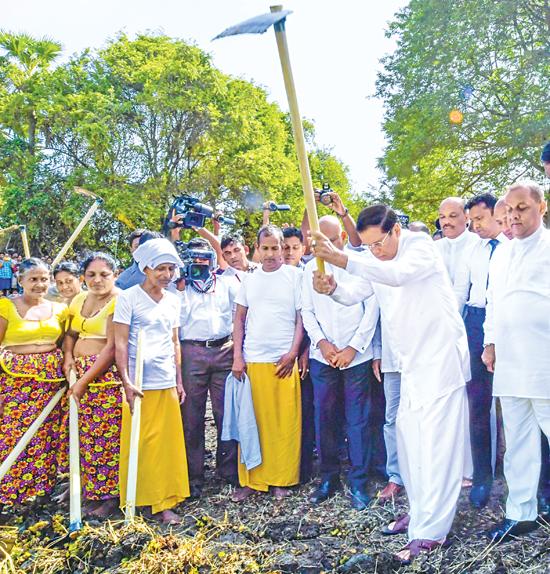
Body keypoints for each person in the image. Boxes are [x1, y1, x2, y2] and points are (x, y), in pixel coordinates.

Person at [311, 205, 470, 563]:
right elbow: (355, 292)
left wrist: (340, 257)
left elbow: (397, 275)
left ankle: (432, 532)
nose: (375, 252)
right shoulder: (377, 258)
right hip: (411, 364)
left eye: (379, 243)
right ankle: (420, 511)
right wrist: (332, 286)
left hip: (441, 361)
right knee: (411, 442)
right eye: (367, 247)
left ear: (396, 230)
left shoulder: (420, 246)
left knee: (437, 448)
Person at [482, 181, 550, 541]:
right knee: (518, 442)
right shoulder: (502, 253)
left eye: (522, 208)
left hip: (544, 361)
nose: (514, 215)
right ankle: (521, 513)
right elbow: (494, 301)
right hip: (510, 359)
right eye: (509, 209)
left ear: (542, 207)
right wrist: (489, 343)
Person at [302, 216, 379, 510]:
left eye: (332, 240)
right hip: (324, 357)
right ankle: (329, 477)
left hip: (356, 356)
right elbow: (307, 311)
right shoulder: (309, 270)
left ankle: (359, 481)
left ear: (343, 240)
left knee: (358, 420)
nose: (326, 246)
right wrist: (322, 344)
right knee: (325, 418)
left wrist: (352, 348)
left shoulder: (359, 266)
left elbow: (371, 309)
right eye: (320, 240)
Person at [114, 238, 189, 524]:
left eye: (171, 269)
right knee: (142, 441)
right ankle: (137, 496)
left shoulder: (173, 300)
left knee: (165, 444)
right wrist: (126, 381)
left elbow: (175, 342)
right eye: (161, 269)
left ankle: (164, 501)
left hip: (165, 379)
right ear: (145, 268)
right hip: (138, 383)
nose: (167, 275)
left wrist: (179, 379)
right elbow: (120, 344)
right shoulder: (128, 297)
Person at [231, 225, 303, 502]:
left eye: (276, 247)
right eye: (266, 248)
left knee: (284, 423)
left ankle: (280, 479)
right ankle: (253, 480)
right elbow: (238, 320)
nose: (271, 253)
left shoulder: (295, 277)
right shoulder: (249, 280)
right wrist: (238, 356)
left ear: (283, 248)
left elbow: (301, 318)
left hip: (283, 360)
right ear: (257, 249)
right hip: (253, 359)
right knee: (253, 421)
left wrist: (293, 352)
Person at [452, 193, 508, 509]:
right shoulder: (473, 248)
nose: (475, 226)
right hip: (475, 320)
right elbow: (462, 290)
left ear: (496, 213)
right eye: (471, 220)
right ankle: (482, 478)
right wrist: (457, 330)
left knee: (517, 401)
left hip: (508, 322)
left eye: (480, 219)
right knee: (478, 405)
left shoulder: (512, 246)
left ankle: (533, 482)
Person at [0, 258, 68, 505]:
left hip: (50, 380)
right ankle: (10, 492)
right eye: (33, 279)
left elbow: (63, 342)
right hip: (16, 380)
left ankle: (39, 491)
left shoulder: (59, 309)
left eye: (44, 279)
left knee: (46, 434)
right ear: (21, 281)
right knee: (14, 432)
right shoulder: (6, 306)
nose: (40, 284)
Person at [175, 238, 238, 499]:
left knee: (227, 413)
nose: (200, 263)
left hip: (224, 349)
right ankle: (193, 475)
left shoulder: (227, 284)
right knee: (191, 416)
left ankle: (229, 471)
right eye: (194, 259)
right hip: (192, 351)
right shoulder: (179, 288)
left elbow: (240, 315)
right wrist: (179, 285)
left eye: (204, 258)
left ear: (213, 261)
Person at [62, 253, 121, 518]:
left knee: (106, 437)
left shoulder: (120, 301)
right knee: (84, 436)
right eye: (91, 275)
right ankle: (90, 492)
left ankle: (109, 498)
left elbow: (111, 349)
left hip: (104, 379)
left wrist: (85, 381)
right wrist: (68, 358)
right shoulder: (79, 299)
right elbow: (70, 334)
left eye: (104, 275)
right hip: (78, 375)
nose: (97, 280)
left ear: (115, 275)